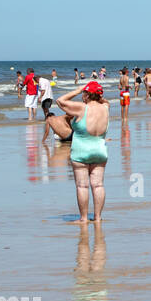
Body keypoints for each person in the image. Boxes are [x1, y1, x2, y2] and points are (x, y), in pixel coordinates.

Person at [56, 81, 109, 223]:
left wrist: (78, 90)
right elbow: (104, 100)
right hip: (100, 151)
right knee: (98, 185)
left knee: (82, 185)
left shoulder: (81, 108)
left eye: (84, 94)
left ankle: (84, 218)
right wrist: (97, 94)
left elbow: (60, 101)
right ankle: (98, 217)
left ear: (87, 94)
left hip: (81, 152)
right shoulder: (105, 107)